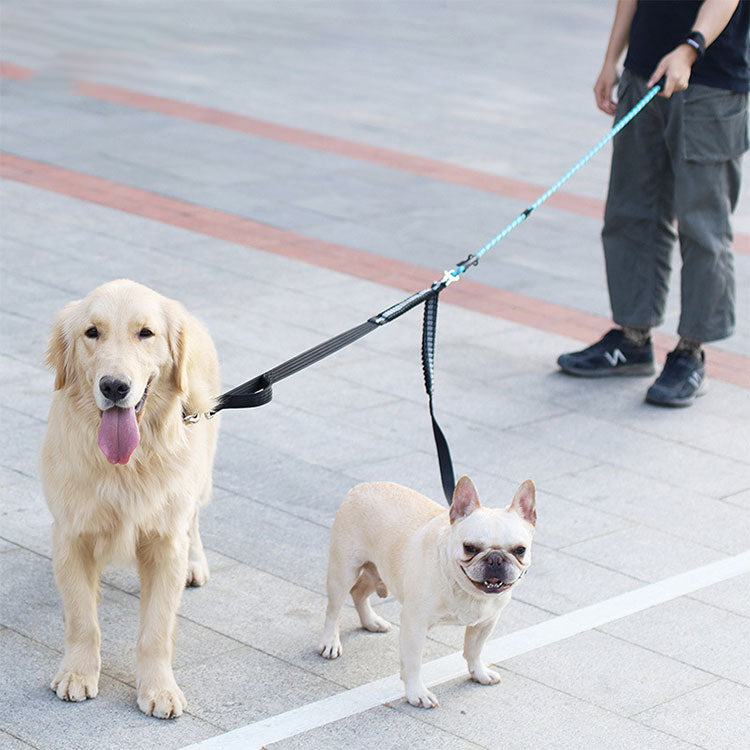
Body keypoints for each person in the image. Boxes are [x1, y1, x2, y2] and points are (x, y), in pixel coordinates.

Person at [557, 0, 749, 406]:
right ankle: (632, 339)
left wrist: (689, 48)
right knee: (630, 212)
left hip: (711, 82)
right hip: (642, 72)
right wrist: (612, 59)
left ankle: (691, 353)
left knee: (703, 228)